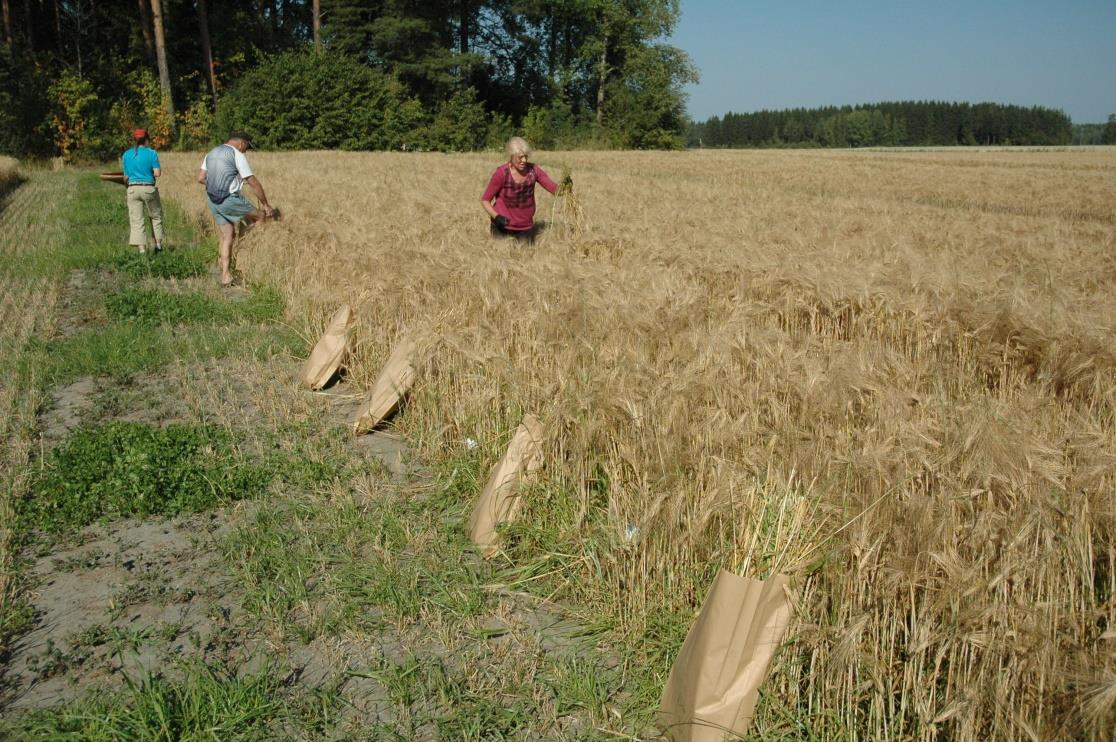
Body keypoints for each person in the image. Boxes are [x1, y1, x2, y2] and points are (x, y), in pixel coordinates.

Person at [197, 131, 275, 287]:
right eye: (247, 146)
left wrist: (215, 186)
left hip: (213, 200)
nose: (246, 150)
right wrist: (266, 204)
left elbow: (200, 178)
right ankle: (256, 253)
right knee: (259, 216)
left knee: (228, 236)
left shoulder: (211, 152)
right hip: (229, 199)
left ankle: (225, 275)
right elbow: (252, 182)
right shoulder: (238, 155)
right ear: (242, 143)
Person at [481, 136, 570, 243]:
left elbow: (555, 191)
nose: (524, 160)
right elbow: (485, 200)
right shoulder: (502, 173)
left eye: (526, 157)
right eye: (520, 157)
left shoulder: (534, 171)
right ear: (511, 156)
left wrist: (566, 186)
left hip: (525, 227)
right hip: (502, 227)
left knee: (526, 256)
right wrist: (497, 217)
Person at [121, 128, 164, 254]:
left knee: (137, 220)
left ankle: (142, 251)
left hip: (133, 189)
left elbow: (126, 177)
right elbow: (157, 173)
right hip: (148, 188)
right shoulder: (152, 153)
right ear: (147, 139)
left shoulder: (126, 155)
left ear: (135, 140)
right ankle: (158, 246)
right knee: (156, 216)